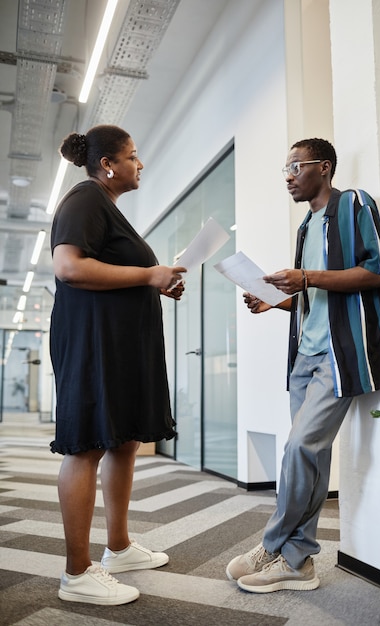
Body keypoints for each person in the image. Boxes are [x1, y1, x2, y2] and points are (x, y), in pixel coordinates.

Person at [226, 138, 380, 593]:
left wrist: (303, 278)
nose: (287, 176)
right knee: (311, 453)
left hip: (341, 355)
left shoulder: (354, 204)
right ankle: (299, 562)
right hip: (306, 353)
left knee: (300, 447)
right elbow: (315, 296)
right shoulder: (306, 226)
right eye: (285, 168)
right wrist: (279, 302)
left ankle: (274, 545)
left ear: (323, 167)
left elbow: (375, 272)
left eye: (294, 166)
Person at [49, 125, 186, 606]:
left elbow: (114, 272)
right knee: (86, 443)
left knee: (124, 440)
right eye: (132, 156)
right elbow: (68, 267)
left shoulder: (107, 208)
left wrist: (155, 281)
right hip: (93, 345)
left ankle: (120, 549)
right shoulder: (84, 199)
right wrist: (150, 273)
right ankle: (76, 573)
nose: (139, 163)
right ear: (108, 164)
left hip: (122, 344)